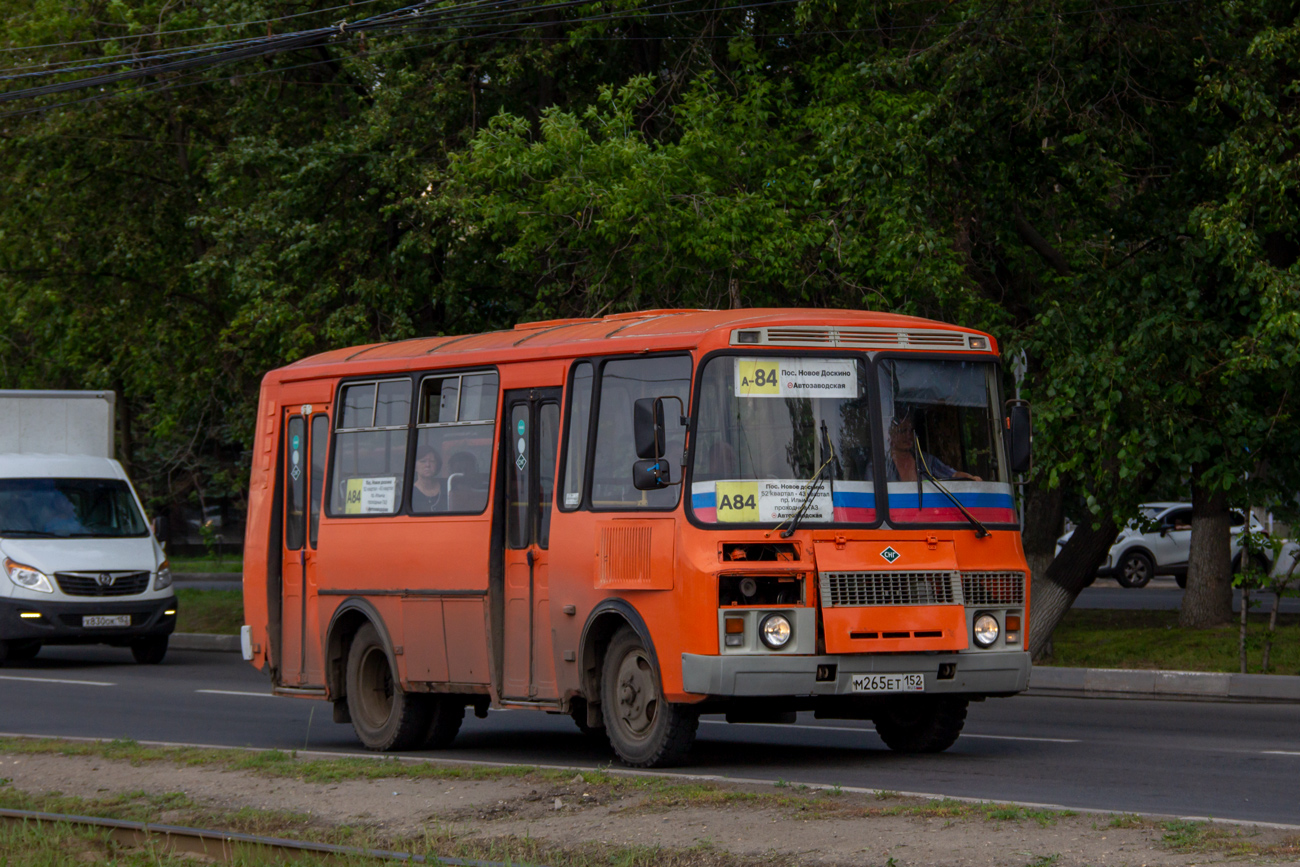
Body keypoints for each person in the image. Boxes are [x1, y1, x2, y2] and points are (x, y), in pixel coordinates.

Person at [886, 411, 981, 482]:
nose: (909, 436)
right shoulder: (881, 465)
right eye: (903, 431)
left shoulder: (926, 461)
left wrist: (970, 478)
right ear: (890, 436)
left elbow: (952, 475)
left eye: (911, 431)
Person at [411, 445, 444, 512]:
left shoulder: (447, 487)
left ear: (437, 465)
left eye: (432, 461)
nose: (428, 465)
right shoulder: (410, 492)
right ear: (414, 466)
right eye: (423, 461)